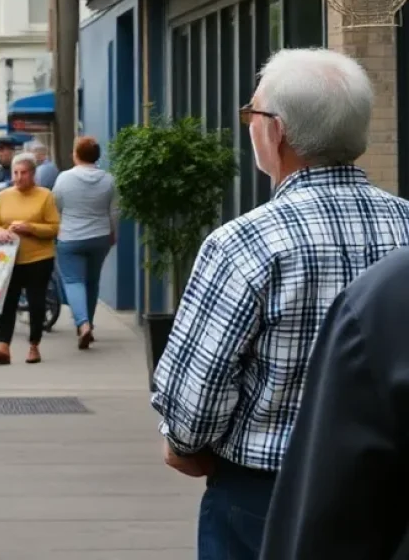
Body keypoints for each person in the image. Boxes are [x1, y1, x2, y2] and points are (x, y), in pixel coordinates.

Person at [150, 48, 409, 560]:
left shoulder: (244, 244)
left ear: (276, 131)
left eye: (252, 114)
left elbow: (194, 405)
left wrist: (183, 442)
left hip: (267, 494)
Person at [260, 245, 409, 559]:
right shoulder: (402, 223)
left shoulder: (247, 241)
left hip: (261, 480)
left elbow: (202, 377)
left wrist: (183, 444)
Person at [0, 152, 61, 365]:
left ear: (33, 174)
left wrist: (30, 227)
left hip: (38, 259)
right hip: (8, 260)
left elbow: (54, 228)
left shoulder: (44, 196)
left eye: (23, 173)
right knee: (7, 303)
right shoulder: (4, 196)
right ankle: (2, 347)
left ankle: (34, 345)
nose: (18, 177)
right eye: (15, 173)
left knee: (36, 304)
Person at [52, 136, 118, 349]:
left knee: (73, 281)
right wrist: (112, 232)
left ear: (76, 155)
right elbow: (115, 211)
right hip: (99, 237)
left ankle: (83, 324)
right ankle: (88, 323)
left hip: (70, 236)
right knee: (92, 281)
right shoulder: (109, 179)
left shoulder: (64, 179)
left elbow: (56, 205)